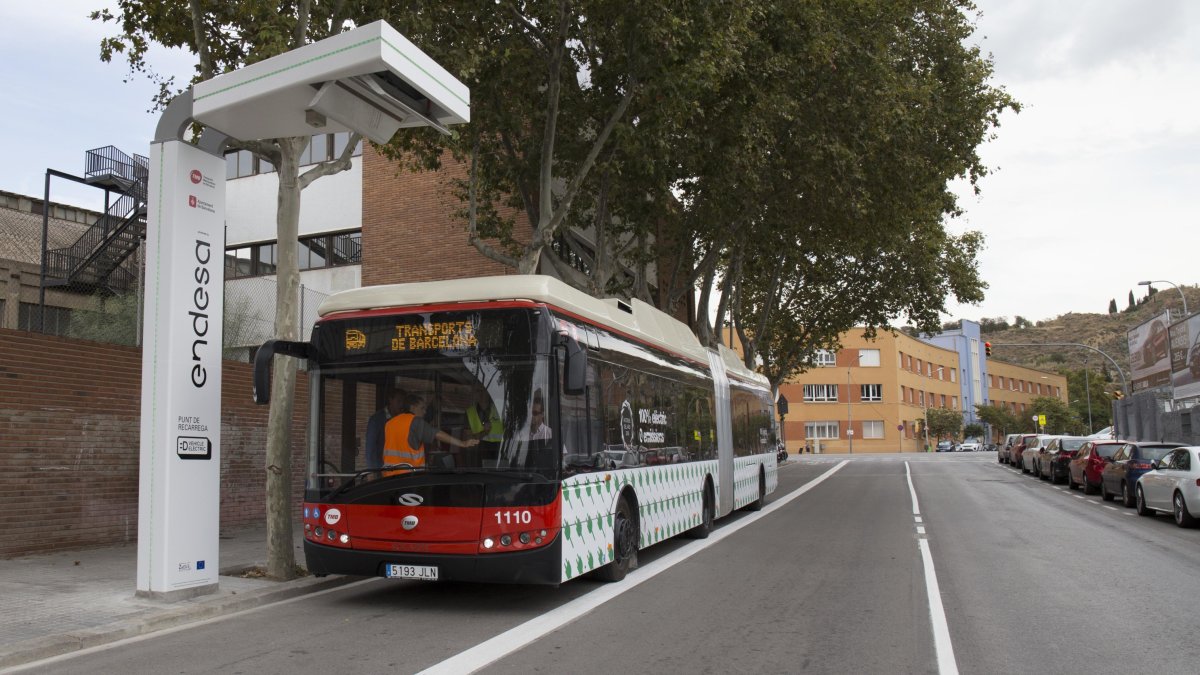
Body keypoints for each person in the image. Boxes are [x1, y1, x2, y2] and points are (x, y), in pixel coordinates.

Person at [382, 394, 478, 474]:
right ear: (412, 407)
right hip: (409, 476)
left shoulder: (390, 423)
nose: (425, 412)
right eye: (422, 408)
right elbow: (437, 434)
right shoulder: (415, 421)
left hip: (390, 476)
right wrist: (462, 443)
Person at [365, 389, 404, 469]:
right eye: (399, 401)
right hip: (381, 468)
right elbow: (370, 448)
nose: (401, 405)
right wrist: (372, 471)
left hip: (399, 468)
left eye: (403, 402)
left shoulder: (402, 418)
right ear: (390, 400)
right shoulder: (376, 420)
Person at [466, 387, 504, 465]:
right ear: (474, 394)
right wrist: (484, 432)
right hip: (479, 453)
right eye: (478, 391)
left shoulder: (500, 408)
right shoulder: (470, 413)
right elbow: (466, 439)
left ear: (488, 392)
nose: (481, 394)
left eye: (484, 390)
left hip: (501, 452)